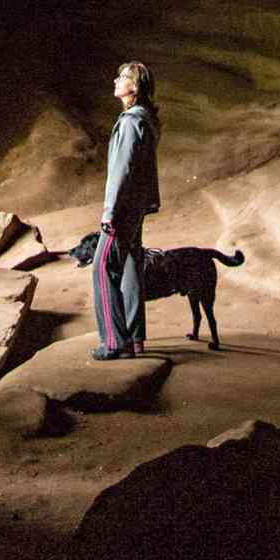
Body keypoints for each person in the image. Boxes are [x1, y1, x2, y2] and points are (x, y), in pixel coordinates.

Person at [91, 60, 161, 361]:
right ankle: (135, 339)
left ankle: (113, 342)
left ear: (135, 87)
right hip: (136, 207)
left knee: (101, 268)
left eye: (122, 78)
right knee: (131, 267)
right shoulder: (146, 118)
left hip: (123, 208)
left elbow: (122, 169)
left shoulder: (131, 121)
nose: (115, 81)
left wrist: (109, 211)